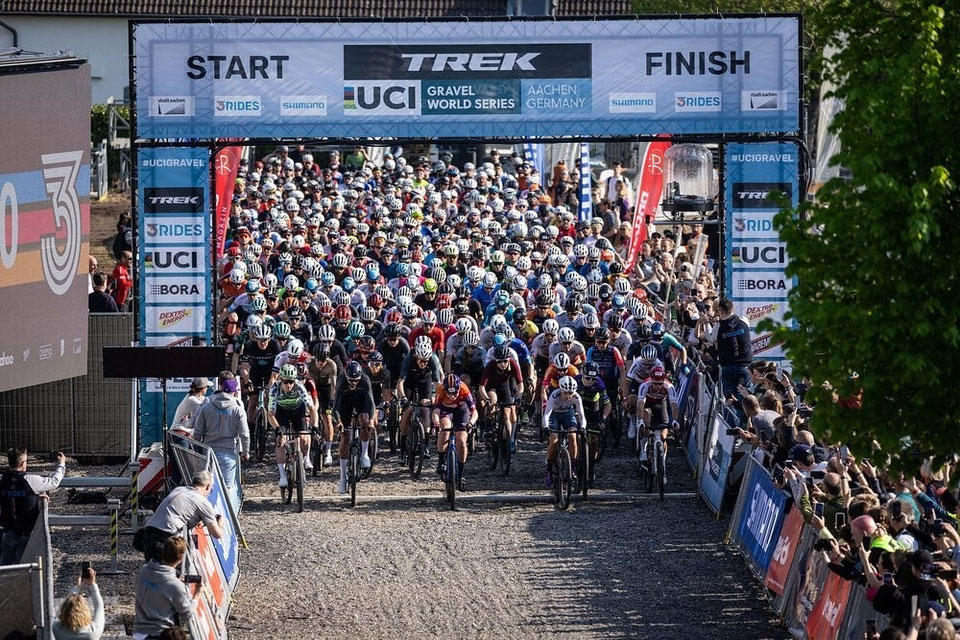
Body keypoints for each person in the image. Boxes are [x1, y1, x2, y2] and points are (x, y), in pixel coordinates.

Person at [191, 373, 250, 510]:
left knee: (207, 485)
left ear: (221, 388)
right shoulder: (237, 408)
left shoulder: (207, 405)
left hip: (208, 452)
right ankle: (225, 519)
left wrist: (197, 449)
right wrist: (245, 452)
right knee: (227, 487)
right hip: (228, 452)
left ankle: (206, 515)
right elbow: (244, 434)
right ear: (234, 392)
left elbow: (198, 432)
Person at [139, 471, 223, 563]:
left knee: (152, 568)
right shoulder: (203, 502)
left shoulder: (178, 489)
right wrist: (220, 523)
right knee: (169, 571)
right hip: (168, 536)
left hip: (149, 529)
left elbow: (181, 510)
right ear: (208, 486)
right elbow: (217, 534)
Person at [1, 448, 66, 565]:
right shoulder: (30, 480)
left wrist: (34, 497)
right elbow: (54, 481)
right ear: (23, 463)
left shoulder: (2, 480)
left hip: (8, 532)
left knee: (5, 571)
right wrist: (61, 464)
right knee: (22, 570)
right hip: (27, 533)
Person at [133, 536, 194, 639]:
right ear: (181, 557)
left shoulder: (144, 571)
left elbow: (158, 587)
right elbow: (186, 613)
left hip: (139, 632)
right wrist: (196, 595)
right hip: (160, 634)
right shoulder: (175, 585)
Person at [432, 373, 478, 491]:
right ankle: (441, 460)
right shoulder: (440, 390)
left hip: (462, 411)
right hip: (446, 411)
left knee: (462, 441)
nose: (452, 396)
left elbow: (474, 412)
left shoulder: (464, 389)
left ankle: (460, 473)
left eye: (455, 393)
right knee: (445, 429)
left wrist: (471, 423)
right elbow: (436, 411)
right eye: (449, 393)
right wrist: (436, 422)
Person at [708, 298, 753, 397]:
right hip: (744, 365)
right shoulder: (744, 320)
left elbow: (711, 340)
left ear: (721, 311)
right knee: (745, 397)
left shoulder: (718, 327)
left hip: (728, 367)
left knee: (730, 398)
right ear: (732, 309)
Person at [52, 566, 104, 639]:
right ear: (85, 611)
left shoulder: (57, 628)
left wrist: (77, 587)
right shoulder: (93, 632)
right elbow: (99, 607)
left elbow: (59, 611)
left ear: (65, 610)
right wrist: (92, 584)